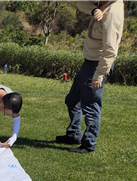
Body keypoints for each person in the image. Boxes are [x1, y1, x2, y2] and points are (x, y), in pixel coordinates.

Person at [56, 1, 124, 154]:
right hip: (88, 63)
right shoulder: (102, 5)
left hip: (97, 65)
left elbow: (111, 50)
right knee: (72, 100)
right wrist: (94, 9)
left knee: (91, 105)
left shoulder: (112, 13)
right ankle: (73, 134)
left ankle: (88, 144)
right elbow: (80, 3)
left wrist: (99, 75)